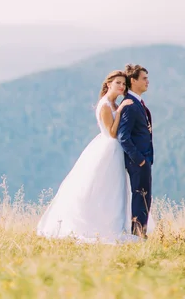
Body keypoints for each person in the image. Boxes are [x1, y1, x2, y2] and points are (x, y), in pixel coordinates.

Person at [36, 70, 139, 243]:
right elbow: (112, 133)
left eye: (123, 84)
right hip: (109, 149)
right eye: (118, 83)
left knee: (114, 189)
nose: (121, 86)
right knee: (103, 187)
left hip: (115, 150)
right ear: (109, 84)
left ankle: (115, 223)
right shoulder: (106, 105)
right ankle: (101, 227)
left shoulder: (113, 103)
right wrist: (121, 110)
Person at [118, 64, 153, 238]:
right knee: (141, 196)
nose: (148, 81)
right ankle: (138, 235)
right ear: (133, 81)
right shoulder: (130, 106)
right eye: (144, 78)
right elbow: (123, 137)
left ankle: (140, 233)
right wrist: (139, 159)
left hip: (144, 159)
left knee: (145, 197)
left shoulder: (137, 103)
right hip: (138, 161)